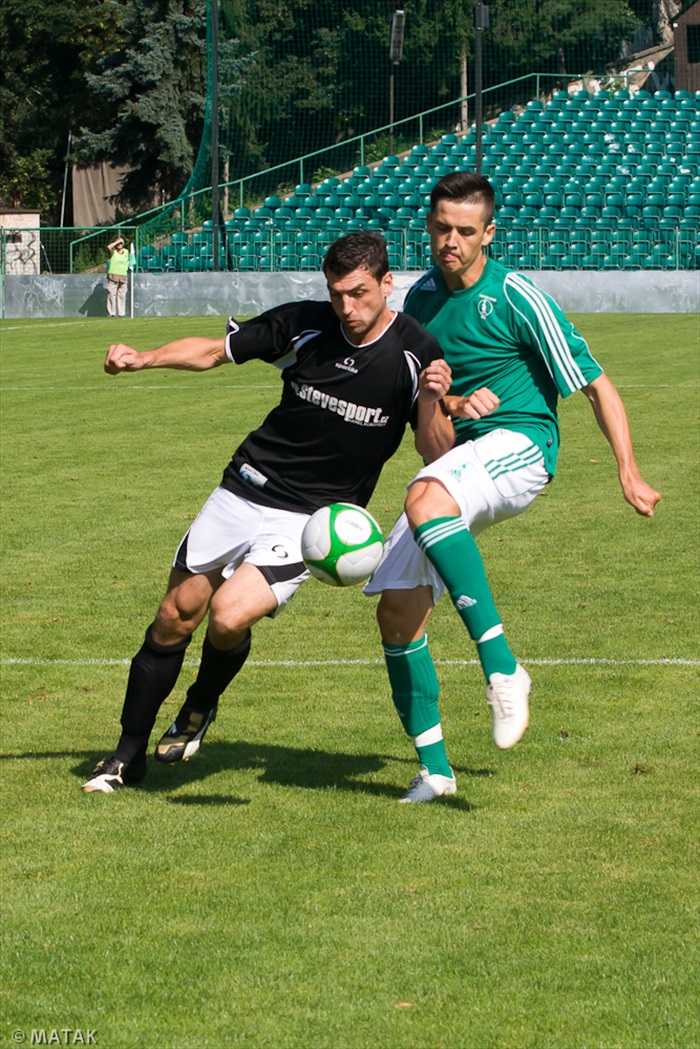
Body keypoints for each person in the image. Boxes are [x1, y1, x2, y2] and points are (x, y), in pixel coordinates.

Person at [82, 232, 454, 793]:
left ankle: (199, 708)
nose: (346, 308)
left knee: (230, 616)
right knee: (175, 613)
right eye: (336, 294)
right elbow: (213, 350)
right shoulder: (306, 324)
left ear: (386, 284)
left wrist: (430, 398)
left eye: (357, 294)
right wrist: (143, 359)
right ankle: (124, 755)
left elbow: (435, 452)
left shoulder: (416, 353)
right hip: (246, 486)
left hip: (310, 521)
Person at [364, 171, 662, 803]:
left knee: (424, 499)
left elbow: (596, 384)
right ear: (429, 226)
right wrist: (443, 401)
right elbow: (430, 442)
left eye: (465, 231)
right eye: (442, 227)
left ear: (488, 234)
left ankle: (504, 670)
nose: (451, 240)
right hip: (462, 462)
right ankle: (435, 772)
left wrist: (627, 470)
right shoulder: (418, 304)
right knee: (397, 608)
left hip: (525, 447)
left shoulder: (518, 295)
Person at [106, 237, 130, 317]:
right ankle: (112, 312)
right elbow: (109, 247)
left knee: (122, 295)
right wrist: (116, 242)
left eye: (121, 243)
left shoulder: (126, 252)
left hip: (123, 276)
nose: (119, 245)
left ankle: (121, 313)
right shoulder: (113, 252)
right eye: (118, 243)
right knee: (111, 294)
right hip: (113, 276)